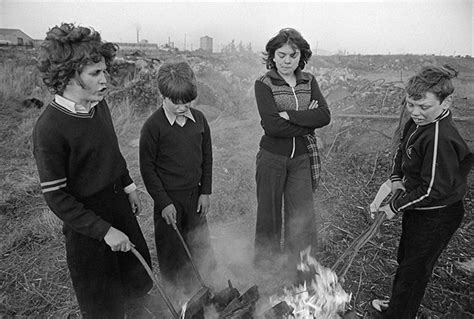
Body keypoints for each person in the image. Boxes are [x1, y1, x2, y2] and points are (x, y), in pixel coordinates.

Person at [33, 23, 152, 318]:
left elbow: (111, 151)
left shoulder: (100, 107)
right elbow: (57, 197)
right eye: (95, 73)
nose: (105, 80)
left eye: (105, 71)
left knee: (137, 280)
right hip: (87, 225)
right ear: (67, 75)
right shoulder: (50, 129)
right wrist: (104, 231)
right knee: (103, 302)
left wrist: (128, 186)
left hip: (119, 206)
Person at [371, 65, 473, 319]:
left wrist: (394, 206)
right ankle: (399, 305)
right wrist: (396, 178)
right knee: (406, 260)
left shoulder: (440, 137)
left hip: (437, 215)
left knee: (414, 271)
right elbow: (401, 150)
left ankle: (400, 314)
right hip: (420, 208)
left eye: (423, 107)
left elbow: (432, 190)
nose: (415, 113)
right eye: (410, 105)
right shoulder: (418, 122)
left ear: (446, 101)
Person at [253, 28, 331, 273]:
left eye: (293, 56)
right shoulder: (264, 83)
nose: (287, 61)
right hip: (272, 158)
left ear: (301, 57)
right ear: (273, 56)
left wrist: (291, 116)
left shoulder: (309, 81)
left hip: (301, 159)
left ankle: (300, 266)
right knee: (269, 215)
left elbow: (324, 116)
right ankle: (266, 268)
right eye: (282, 55)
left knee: (302, 216)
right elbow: (273, 126)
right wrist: (308, 121)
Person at [139, 60, 215, 296]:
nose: (183, 107)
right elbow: (147, 170)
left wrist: (205, 192)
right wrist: (163, 203)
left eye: (188, 102)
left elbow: (207, 157)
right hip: (169, 202)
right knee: (173, 250)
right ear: (163, 95)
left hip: (195, 197)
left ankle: (206, 288)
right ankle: (179, 296)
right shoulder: (153, 127)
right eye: (176, 102)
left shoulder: (200, 120)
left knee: (199, 245)